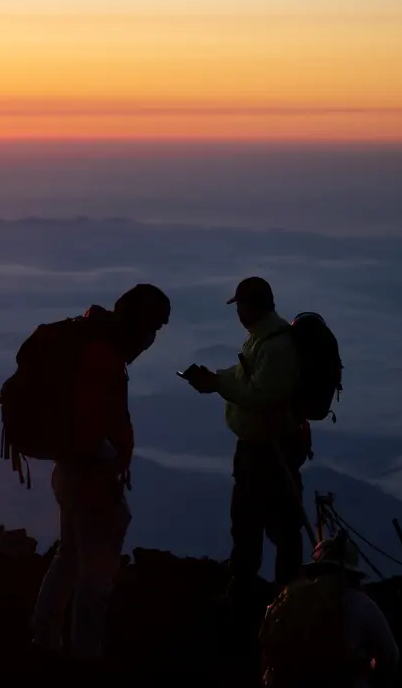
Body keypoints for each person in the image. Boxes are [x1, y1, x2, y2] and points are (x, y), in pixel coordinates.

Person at [29, 284, 171, 665]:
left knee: (70, 557)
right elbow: (91, 427)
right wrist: (108, 468)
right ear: (136, 324)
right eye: (152, 329)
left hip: (72, 473)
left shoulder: (93, 346)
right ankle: (85, 658)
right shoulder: (101, 356)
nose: (152, 340)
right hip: (89, 479)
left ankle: (44, 639)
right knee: (96, 577)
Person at [183, 277, 309, 602]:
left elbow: (262, 395)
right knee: (253, 518)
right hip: (259, 445)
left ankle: (280, 593)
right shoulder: (261, 339)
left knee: (263, 518)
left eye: (239, 305)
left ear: (251, 307)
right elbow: (245, 376)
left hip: (270, 447)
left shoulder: (276, 346)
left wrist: (217, 386)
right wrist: (215, 379)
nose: (237, 312)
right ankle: (255, 582)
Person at [259, 533, 399, 688]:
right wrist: (366, 668)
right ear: (351, 573)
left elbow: (265, 644)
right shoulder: (361, 604)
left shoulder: (288, 599)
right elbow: (390, 656)